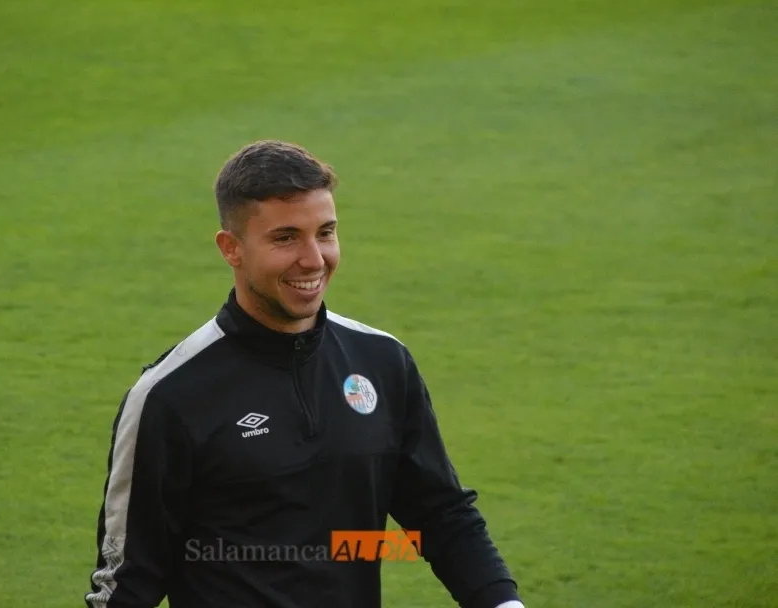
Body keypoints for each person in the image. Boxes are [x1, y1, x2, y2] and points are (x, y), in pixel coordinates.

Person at [84, 140, 525, 608]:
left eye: (326, 232)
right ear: (231, 248)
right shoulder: (169, 396)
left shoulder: (382, 361)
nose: (314, 259)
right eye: (286, 237)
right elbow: (126, 581)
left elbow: (442, 516)